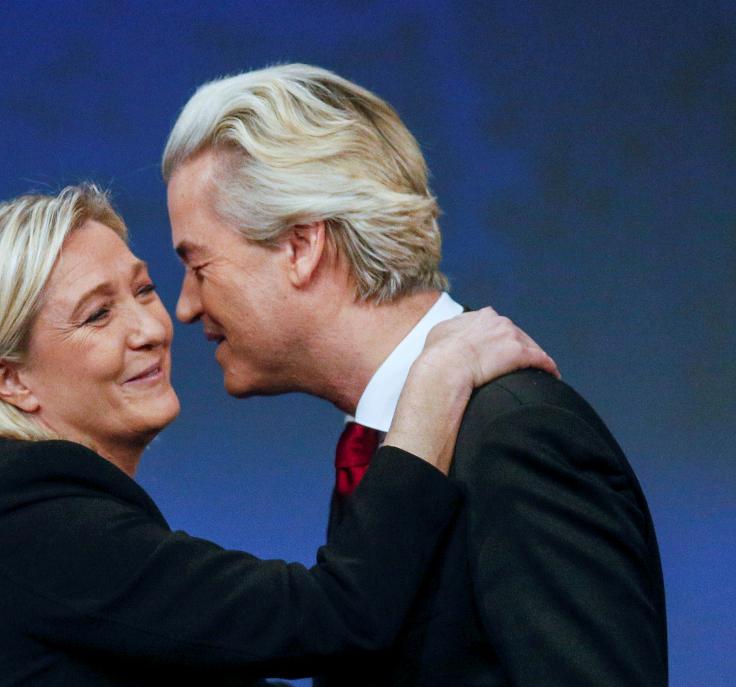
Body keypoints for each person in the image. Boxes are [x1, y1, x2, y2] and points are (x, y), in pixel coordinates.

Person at [0, 186, 556, 686]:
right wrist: (433, 383)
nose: (152, 328)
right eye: (98, 314)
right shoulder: (21, 511)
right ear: (10, 380)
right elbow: (335, 615)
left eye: (143, 289)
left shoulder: (3, 514)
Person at [161, 63, 667, 686]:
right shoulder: (384, 445)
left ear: (301, 246)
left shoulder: (517, 435)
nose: (183, 306)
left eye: (198, 263)